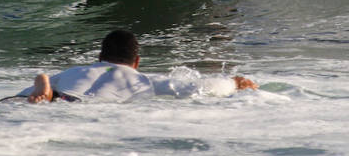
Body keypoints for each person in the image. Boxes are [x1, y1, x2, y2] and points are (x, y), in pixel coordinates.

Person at [21, 29, 257, 103]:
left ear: (100, 56)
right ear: (137, 62)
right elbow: (199, 88)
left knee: (48, 96)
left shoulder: (73, 71)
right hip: (87, 104)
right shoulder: (143, 79)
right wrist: (235, 82)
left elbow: (20, 97)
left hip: (59, 92)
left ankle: (45, 86)